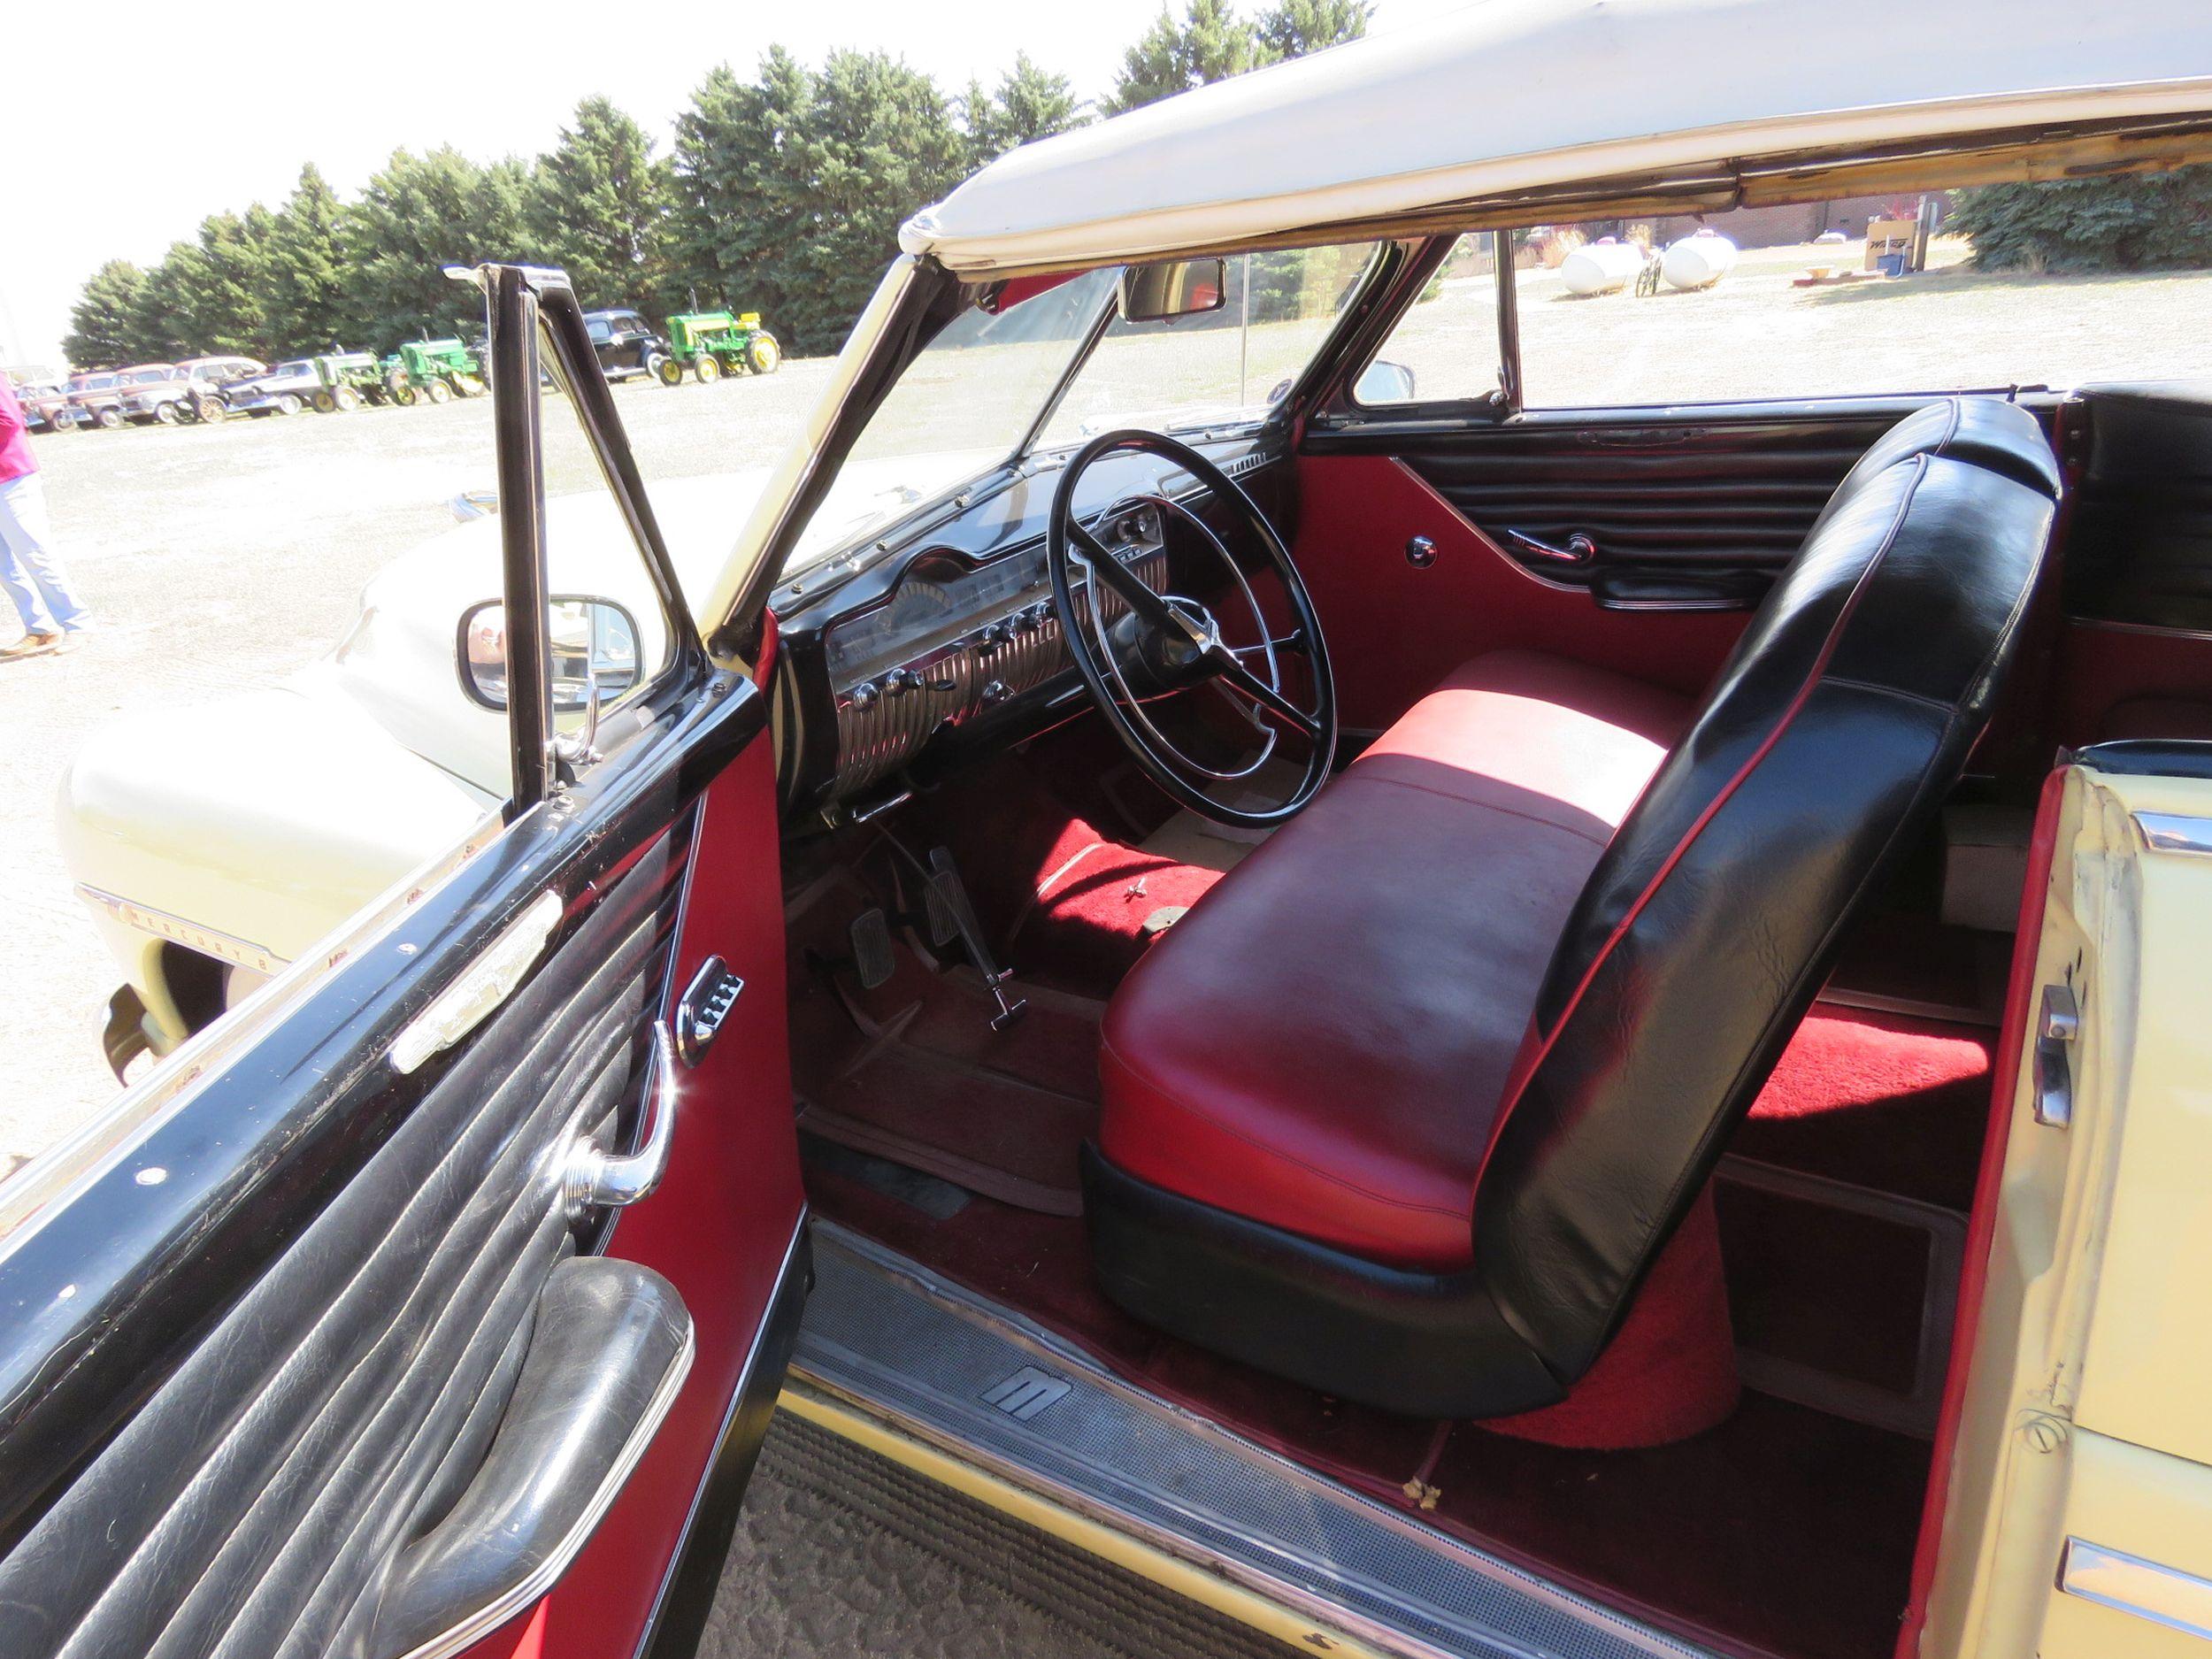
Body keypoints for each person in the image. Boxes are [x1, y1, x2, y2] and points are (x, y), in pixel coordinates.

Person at [0, 374, 92, 658]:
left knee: (35, 554)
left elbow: (8, 421)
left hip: (11, 477)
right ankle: (39, 628)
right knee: (4, 565)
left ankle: (77, 623)